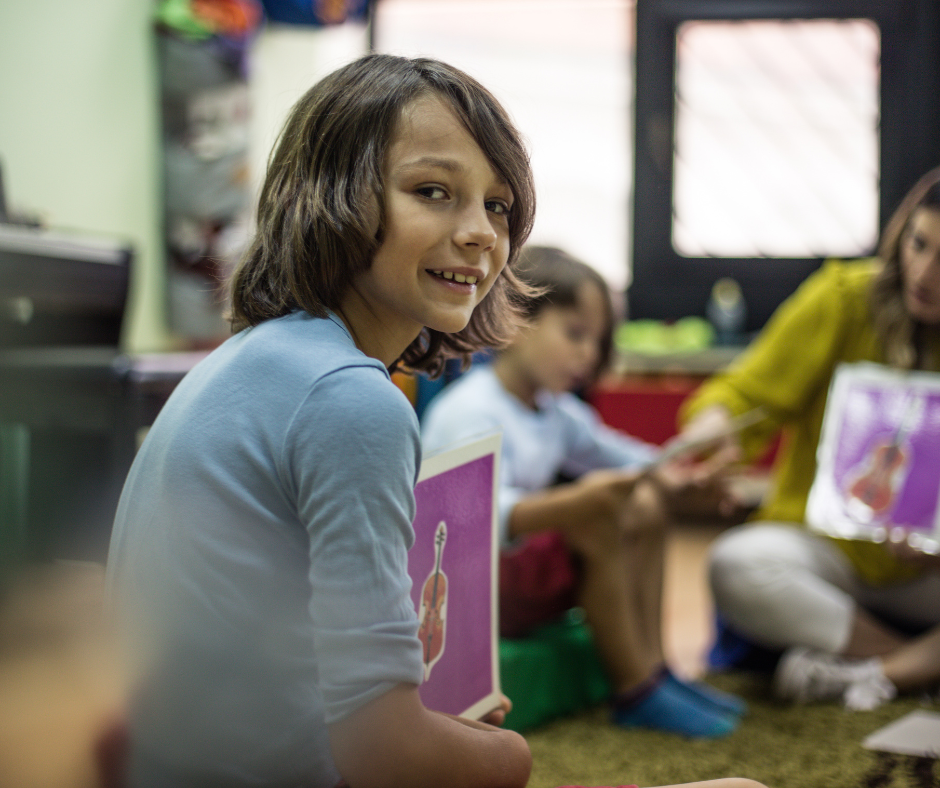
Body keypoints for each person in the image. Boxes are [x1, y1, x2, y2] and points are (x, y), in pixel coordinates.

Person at [106, 55, 764, 788]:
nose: (482, 233)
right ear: (329, 200)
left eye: (498, 206)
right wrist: (506, 758)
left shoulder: (257, 359)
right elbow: (386, 757)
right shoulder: (350, 400)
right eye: (433, 191)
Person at [421, 246, 746, 739]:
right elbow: (477, 519)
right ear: (516, 320)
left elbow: (622, 455)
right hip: (465, 588)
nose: (588, 356)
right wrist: (581, 501)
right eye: (575, 335)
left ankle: (657, 670)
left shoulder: (553, 409)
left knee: (646, 500)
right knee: (594, 514)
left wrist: (678, 475)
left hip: (509, 574)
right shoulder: (472, 409)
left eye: (596, 343)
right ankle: (635, 691)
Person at [677, 166, 940, 711]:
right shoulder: (844, 297)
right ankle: (910, 667)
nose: (925, 273)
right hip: (820, 552)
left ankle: (870, 675)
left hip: (927, 574)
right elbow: (745, 394)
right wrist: (714, 429)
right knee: (735, 564)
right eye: (919, 243)